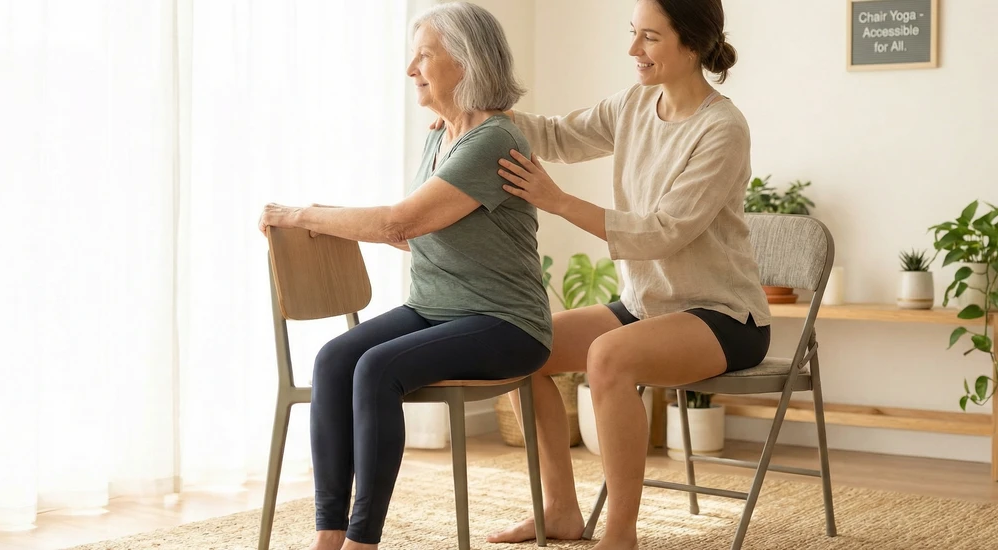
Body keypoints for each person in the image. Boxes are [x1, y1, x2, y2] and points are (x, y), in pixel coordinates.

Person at [257, 4, 551, 549]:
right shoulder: (441, 136)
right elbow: (410, 231)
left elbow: (400, 220)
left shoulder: (492, 142)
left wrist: (302, 214)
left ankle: (362, 541)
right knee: (333, 359)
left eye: (424, 56)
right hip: (435, 307)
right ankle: (329, 534)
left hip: (505, 323)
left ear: (464, 64)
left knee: (376, 368)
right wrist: (335, 217)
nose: (411, 68)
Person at [483, 1, 771, 549]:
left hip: (723, 316)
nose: (633, 50)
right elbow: (557, 135)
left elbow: (663, 232)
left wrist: (559, 202)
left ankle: (621, 533)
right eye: (633, 34)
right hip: (647, 304)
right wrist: (478, 115)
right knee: (524, 348)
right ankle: (561, 512)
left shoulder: (722, 129)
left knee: (608, 357)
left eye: (650, 38)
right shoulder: (635, 104)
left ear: (691, 44)